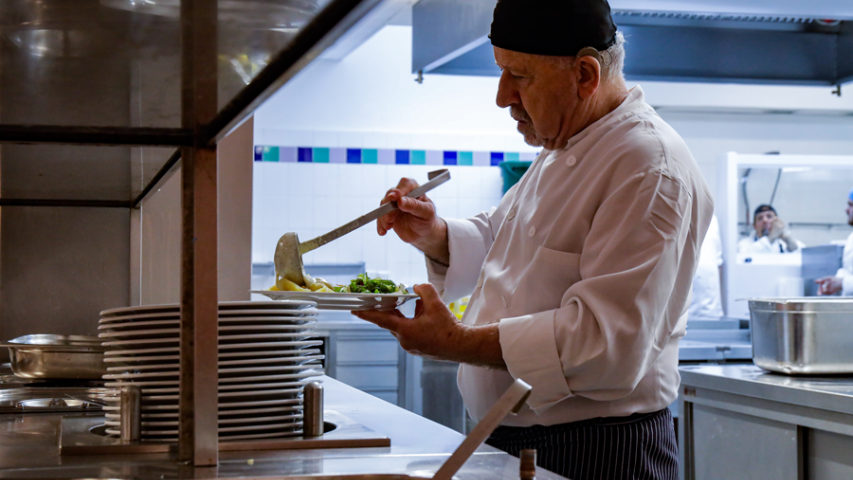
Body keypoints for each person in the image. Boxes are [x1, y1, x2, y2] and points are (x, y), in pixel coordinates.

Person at [354, 0, 713, 478]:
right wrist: (434, 234)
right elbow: (505, 245)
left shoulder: (648, 164)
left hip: (598, 451)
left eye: (518, 76)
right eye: (501, 73)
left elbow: (607, 346)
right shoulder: (567, 142)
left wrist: (456, 342)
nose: (503, 97)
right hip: (521, 438)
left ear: (585, 74)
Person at [815, 189, 853, 295]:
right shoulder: (851, 238)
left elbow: (846, 281)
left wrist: (843, 283)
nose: (846, 210)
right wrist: (833, 281)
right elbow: (848, 270)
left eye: (851, 205)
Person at [689, 215, 724, 319]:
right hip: (682, 313)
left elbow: (718, 263)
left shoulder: (712, 219)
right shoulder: (671, 213)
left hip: (712, 310)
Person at [737, 204, 804, 254]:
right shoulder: (744, 244)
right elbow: (745, 256)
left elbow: (805, 257)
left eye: (769, 216)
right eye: (760, 218)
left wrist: (786, 238)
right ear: (754, 226)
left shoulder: (783, 243)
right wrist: (772, 237)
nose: (765, 220)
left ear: (777, 221)